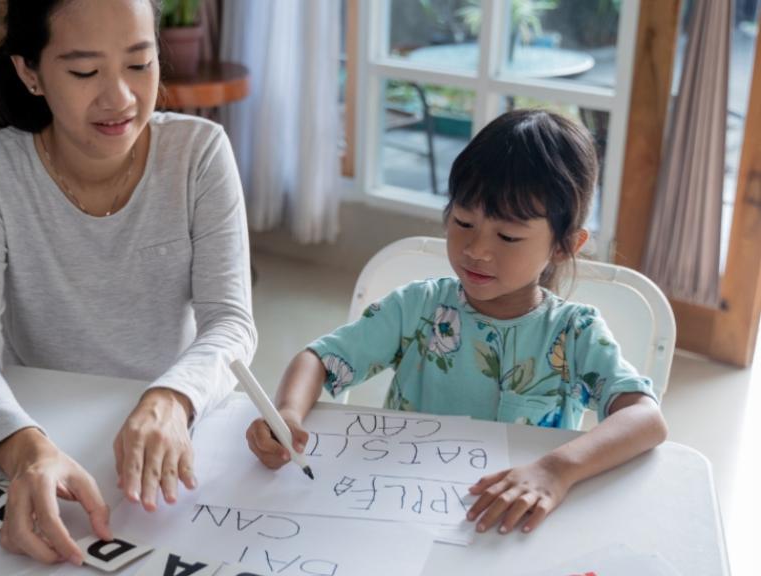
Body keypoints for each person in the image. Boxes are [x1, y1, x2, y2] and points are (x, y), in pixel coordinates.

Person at [0, 0, 256, 566]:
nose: (121, 98)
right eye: (84, 71)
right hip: (40, 428)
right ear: (30, 72)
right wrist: (24, 449)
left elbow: (230, 322)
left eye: (140, 64)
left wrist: (172, 398)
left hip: (174, 428)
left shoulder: (199, 153)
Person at [246, 109, 667, 535]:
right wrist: (288, 413)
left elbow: (646, 419)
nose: (476, 250)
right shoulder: (417, 308)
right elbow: (318, 360)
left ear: (564, 245)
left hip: (512, 526)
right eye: (464, 222)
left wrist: (557, 469)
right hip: (401, 518)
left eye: (508, 236)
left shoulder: (574, 333)